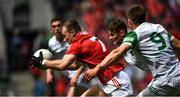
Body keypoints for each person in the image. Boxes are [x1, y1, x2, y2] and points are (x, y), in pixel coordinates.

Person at [83, 4, 180, 96]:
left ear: (129, 22)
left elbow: (118, 52)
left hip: (164, 79)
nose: (110, 38)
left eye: (112, 35)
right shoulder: (158, 27)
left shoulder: (135, 34)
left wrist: (97, 68)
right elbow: (178, 43)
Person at [30, 19, 133, 97]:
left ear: (73, 32)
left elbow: (63, 64)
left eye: (65, 36)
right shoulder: (86, 35)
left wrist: (43, 62)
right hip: (107, 80)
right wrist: (52, 66)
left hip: (115, 81)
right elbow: (75, 65)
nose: (65, 39)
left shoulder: (78, 44)